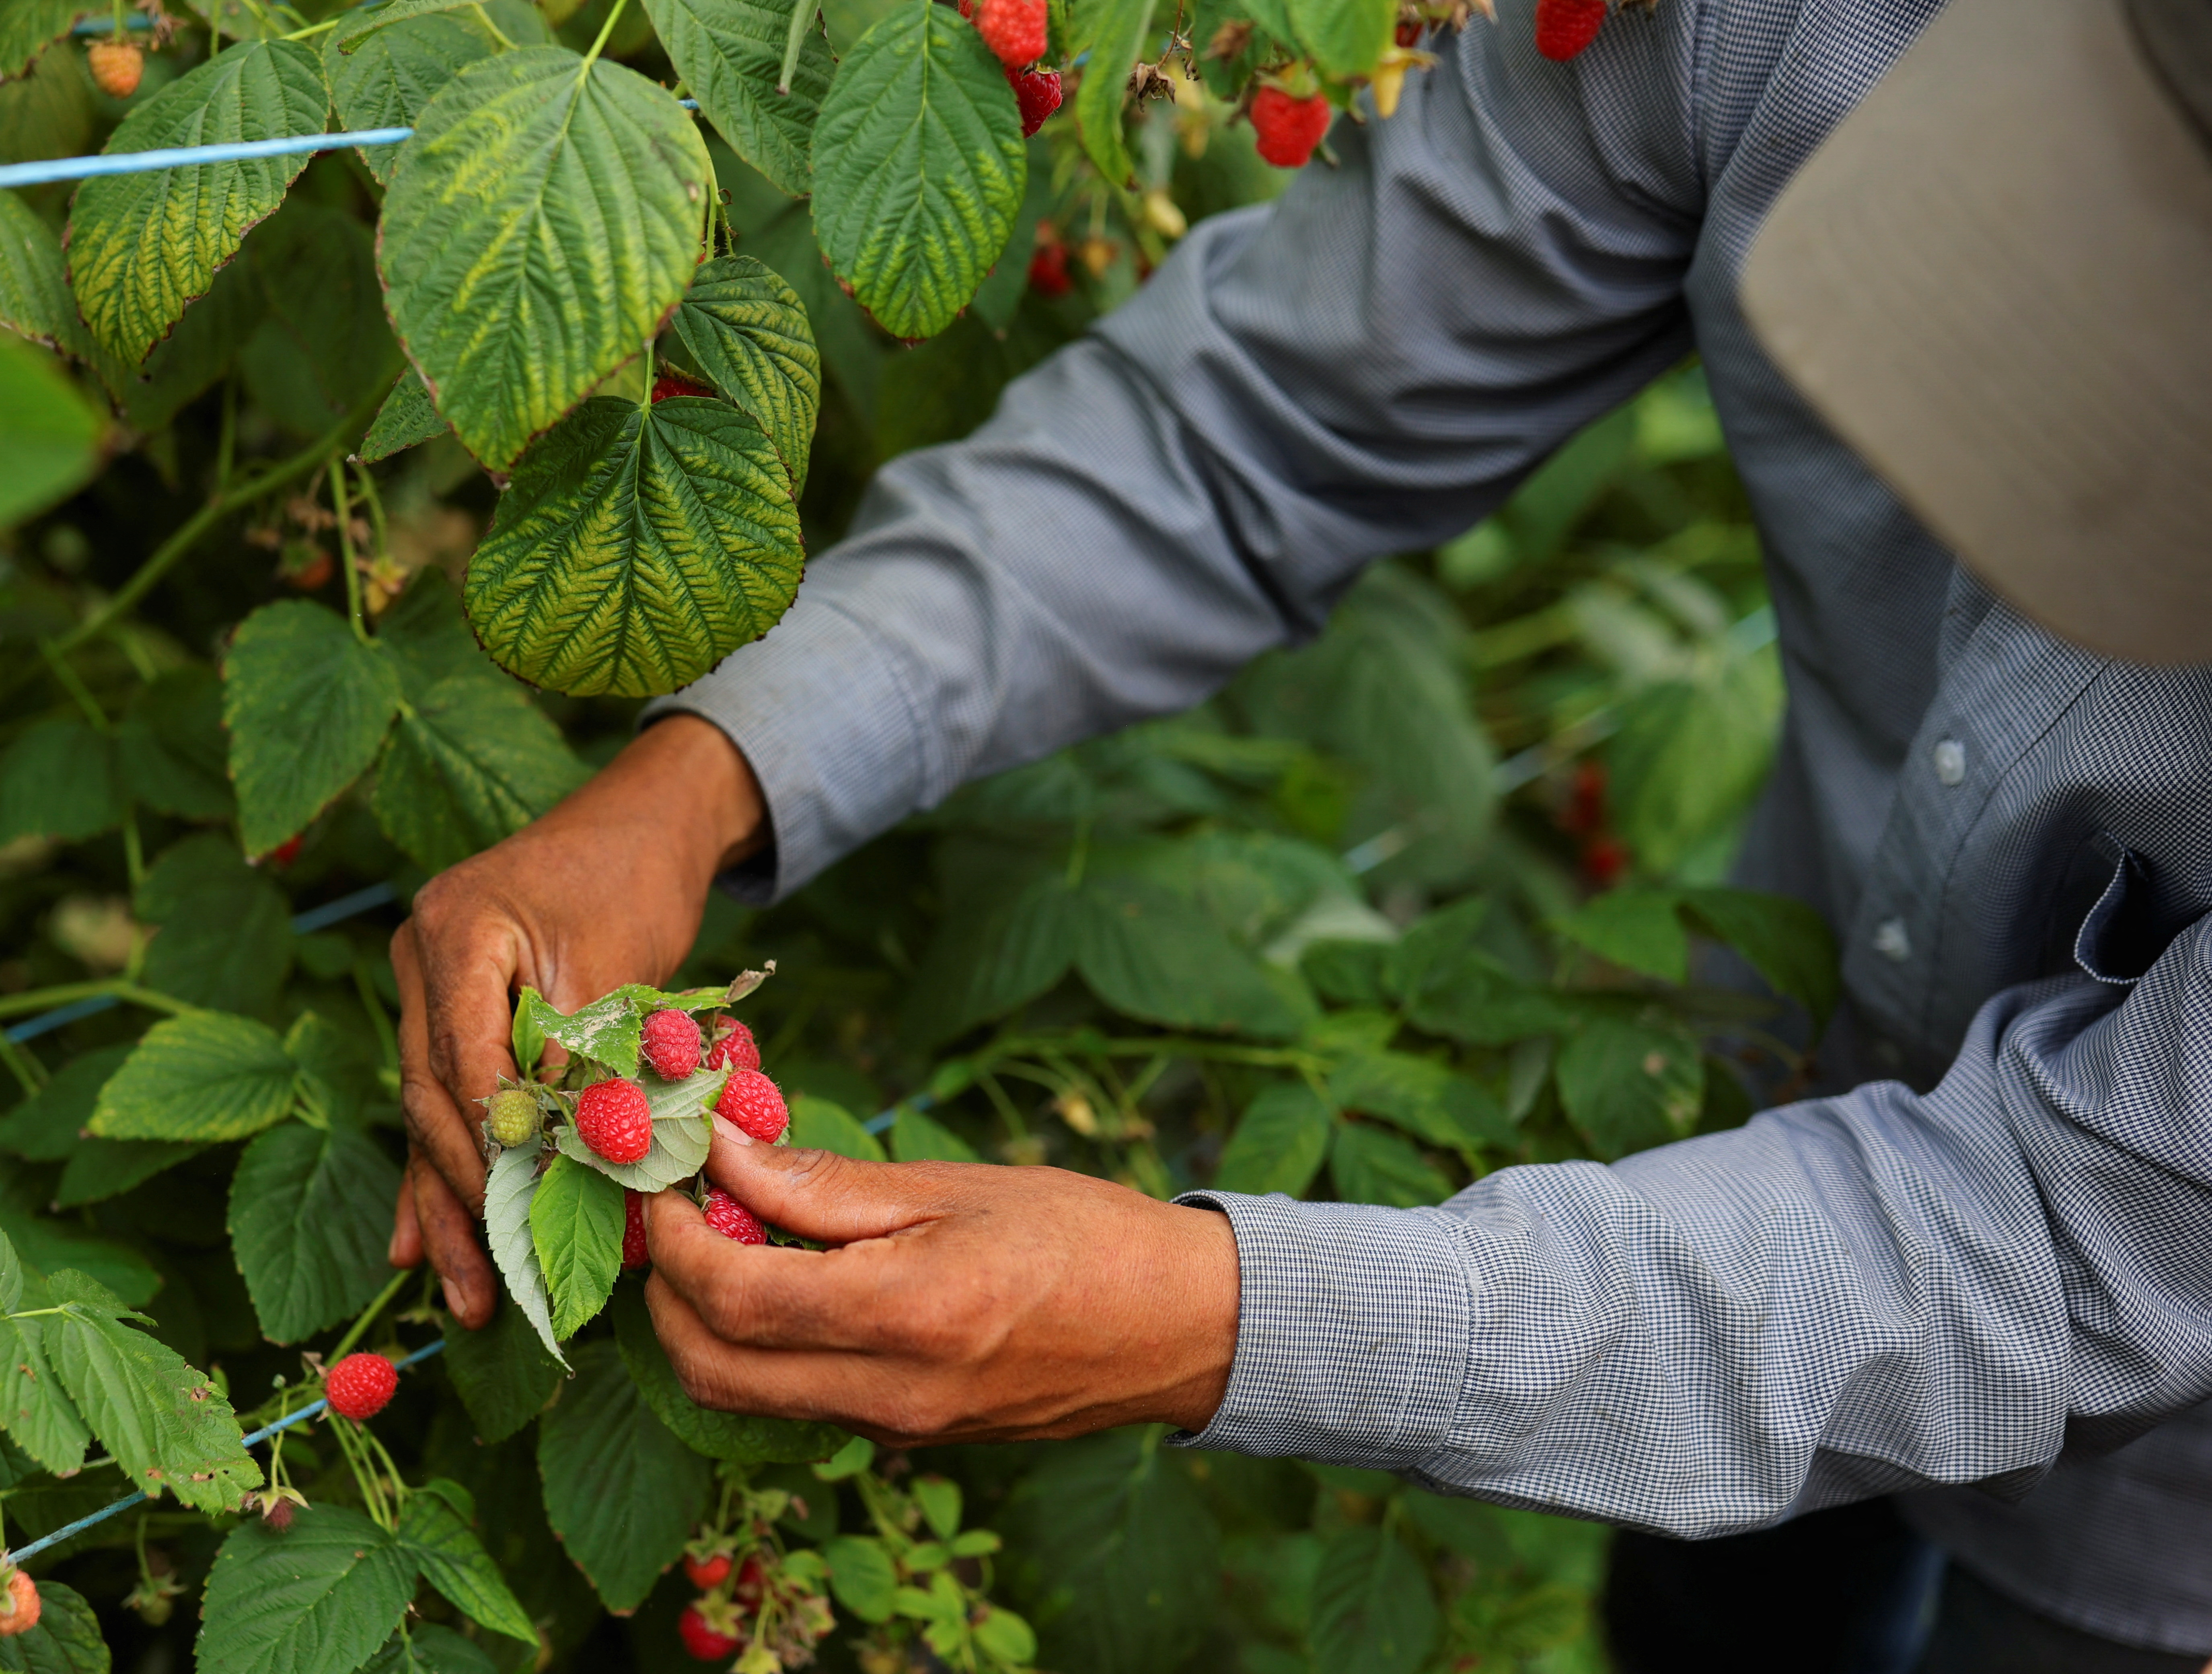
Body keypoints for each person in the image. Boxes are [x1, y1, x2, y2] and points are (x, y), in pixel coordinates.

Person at [386, 0, 2212, 1667]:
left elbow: (2043, 1239)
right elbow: (1260, 415)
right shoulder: (1799, 20)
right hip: (1777, 1048)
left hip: (2174, 1505)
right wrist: (702, 776)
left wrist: (1221, 1314)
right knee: (1709, 1626)